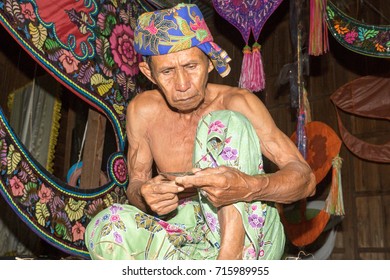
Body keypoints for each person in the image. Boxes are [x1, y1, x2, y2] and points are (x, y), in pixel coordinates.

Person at [85, 3, 316, 260]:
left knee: (222, 121)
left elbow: (306, 180)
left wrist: (248, 187)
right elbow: (136, 183)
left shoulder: (238, 102)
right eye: (168, 71)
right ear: (149, 73)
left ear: (209, 62)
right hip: (185, 238)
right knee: (105, 227)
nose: (182, 84)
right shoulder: (143, 111)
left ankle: (230, 259)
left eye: (191, 67)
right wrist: (144, 194)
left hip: (253, 237)